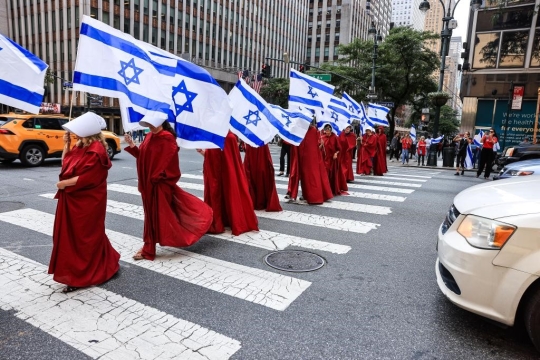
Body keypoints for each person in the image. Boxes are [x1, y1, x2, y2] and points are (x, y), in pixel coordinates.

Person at [49, 112, 120, 293]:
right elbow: (66, 164)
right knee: (74, 236)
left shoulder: (97, 150)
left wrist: (63, 184)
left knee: (84, 236)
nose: (74, 135)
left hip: (87, 200)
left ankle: (82, 275)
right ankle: (101, 263)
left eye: (77, 132)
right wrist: (66, 144)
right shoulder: (80, 145)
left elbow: (88, 178)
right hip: (73, 197)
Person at [125, 118, 213, 261]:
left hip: (159, 184)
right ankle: (149, 245)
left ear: (161, 122)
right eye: (148, 124)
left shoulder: (167, 138)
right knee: (152, 215)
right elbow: (143, 158)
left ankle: (148, 248)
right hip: (148, 184)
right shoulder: (149, 136)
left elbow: (170, 163)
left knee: (155, 216)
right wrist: (132, 145)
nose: (150, 126)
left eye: (152, 123)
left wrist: (158, 177)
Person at [197, 132, 259, 235]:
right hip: (228, 173)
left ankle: (219, 220)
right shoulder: (229, 136)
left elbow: (214, 159)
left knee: (217, 191)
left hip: (217, 172)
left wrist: (203, 152)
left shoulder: (217, 135)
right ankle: (230, 218)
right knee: (229, 191)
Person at [287, 119, 333, 204]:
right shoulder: (299, 130)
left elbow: (317, 143)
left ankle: (311, 196)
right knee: (297, 174)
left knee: (310, 176)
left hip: (311, 157)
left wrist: (320, 143)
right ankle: (294, 194)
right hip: (299, 155)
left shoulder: (314, 130)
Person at [243, 143, 282, 211]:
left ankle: (253, 200)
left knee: (254, 174)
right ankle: (258, 200)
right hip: (257, 148)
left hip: (254, 148)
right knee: (259, 174)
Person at [321, 124, 344, 196]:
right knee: (325, 173)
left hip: (332, 159)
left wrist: (336, 153)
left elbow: (339, 148)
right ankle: (325, 189)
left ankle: (332, 188)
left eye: (328, 131)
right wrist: (321, 145)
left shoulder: (335, 137)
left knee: (332, 174)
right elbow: (319, 148)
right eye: (326, 131)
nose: (327, 132)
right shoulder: (322, 137)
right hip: (324, 158)